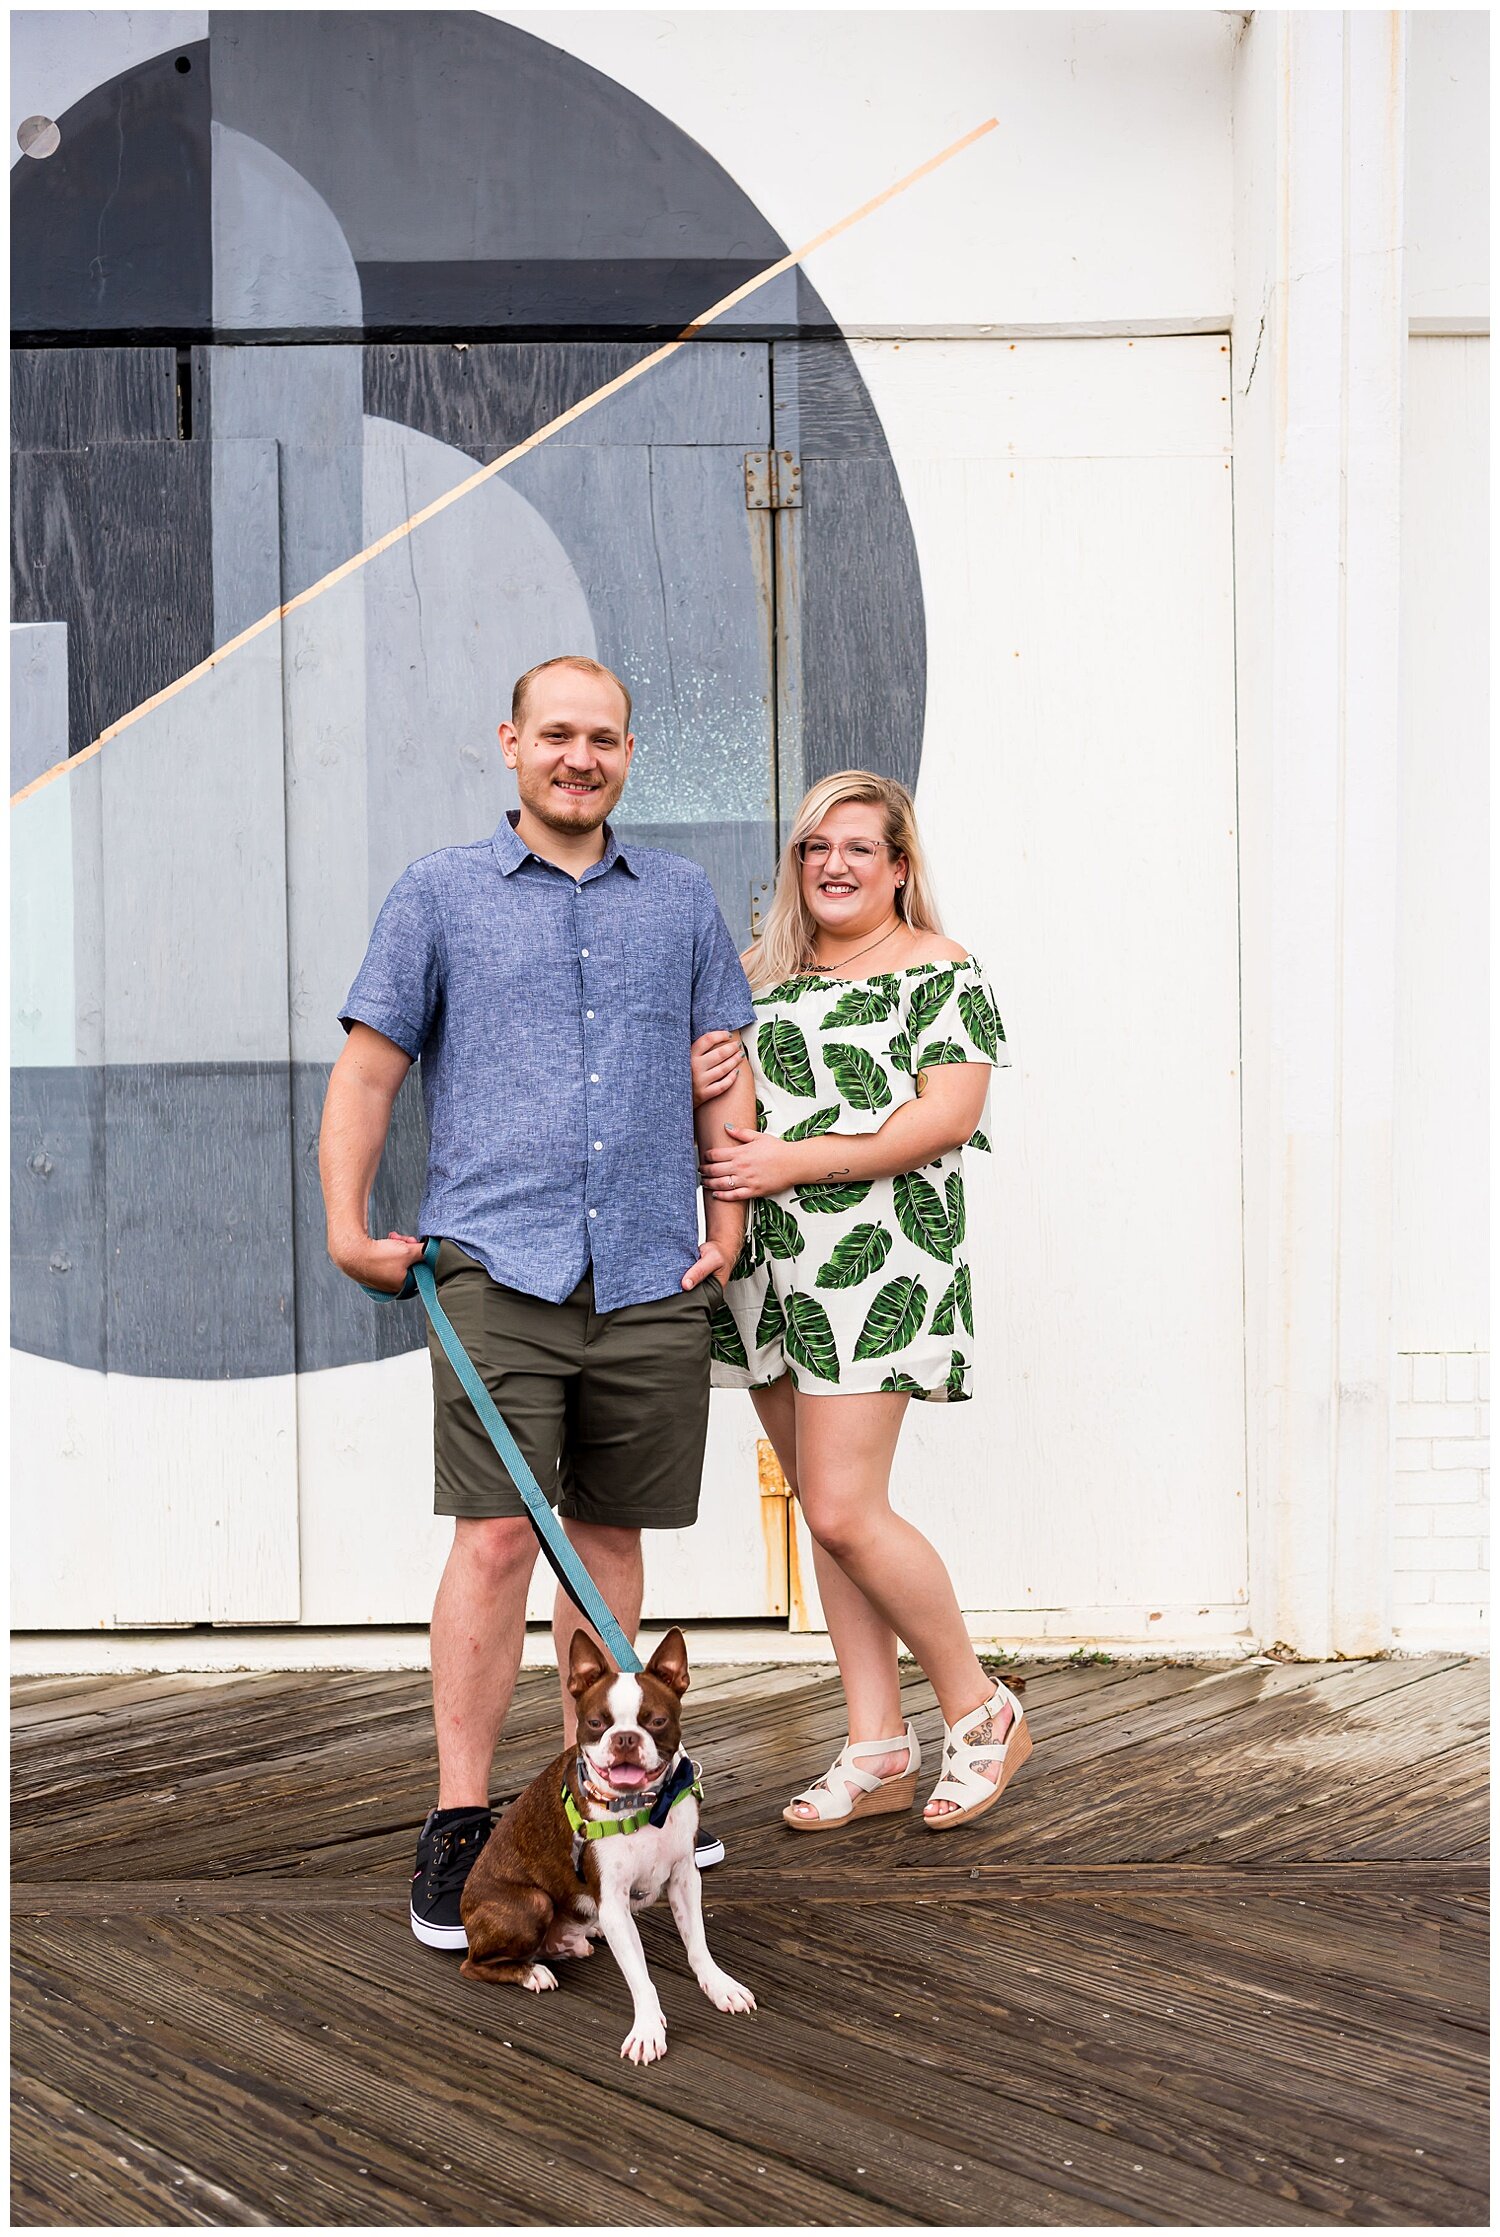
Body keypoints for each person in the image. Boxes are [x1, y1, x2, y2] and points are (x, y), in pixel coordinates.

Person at [320, 655, 756, 1948]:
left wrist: (724, 1225)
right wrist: (348, 1228)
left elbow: (717, 1067)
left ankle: (605, 1796)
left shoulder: (677, 899)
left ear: (630, 752)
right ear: (509, 742)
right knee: (500, 1541)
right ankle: (462, 1814)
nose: (581, 756)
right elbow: (368, 1070)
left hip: (643, 1269)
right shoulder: (438, 895)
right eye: (557, 734)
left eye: (604, 737)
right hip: (496, 1269)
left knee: (608, 1542)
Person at [691, 770, 1029, 1829]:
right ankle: (878, 1738)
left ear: (899, 865)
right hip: (769, 1267)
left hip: (879, 1258)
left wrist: (790, 1163)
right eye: (812, 846)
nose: (832, 863)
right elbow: (726, 1112)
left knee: (846, 1507)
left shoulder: (941, 969)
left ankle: (981, 1709)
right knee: (824, 1518)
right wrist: (703, 1071)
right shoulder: (756, 976)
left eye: (857, 846)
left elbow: (941, 1118)